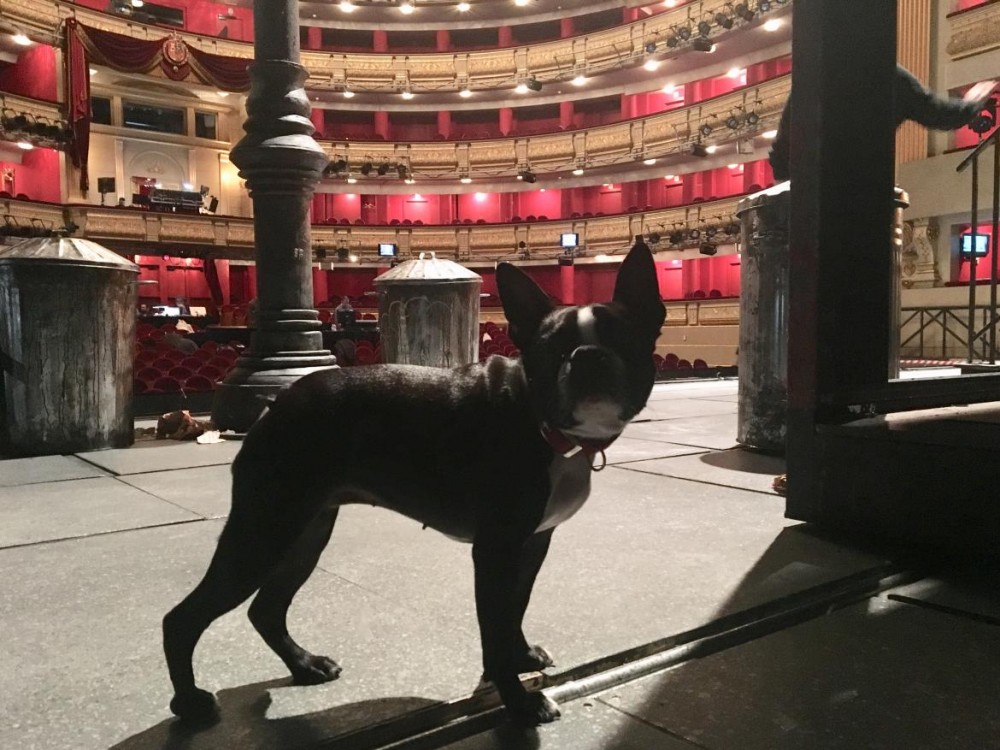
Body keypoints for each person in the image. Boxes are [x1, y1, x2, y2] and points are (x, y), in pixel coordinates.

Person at [769, 66, 996, 181]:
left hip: (813, 203)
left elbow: (781, 151)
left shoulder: (815, 76)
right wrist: (972, 102)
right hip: (867, 198)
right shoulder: (891, 76)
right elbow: (941, 115)